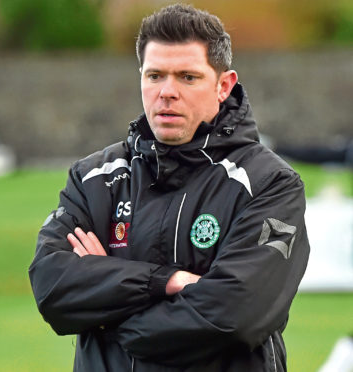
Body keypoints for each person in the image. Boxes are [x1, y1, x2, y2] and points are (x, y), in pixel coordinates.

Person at [29, 3, 310, 371]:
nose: (167, 92)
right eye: (155, 75)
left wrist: (108, 312)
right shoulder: (94, 177)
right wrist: (167, 282)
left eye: (187, 77)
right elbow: (52, 287)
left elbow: (236, 313)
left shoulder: (268, 184)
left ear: (223, 85)